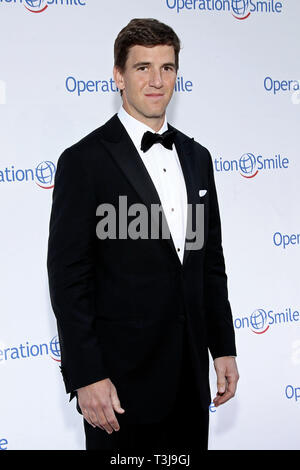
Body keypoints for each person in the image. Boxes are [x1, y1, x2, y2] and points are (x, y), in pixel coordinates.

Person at [47, 18, 239, 452]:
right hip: (118, 385)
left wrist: (222, 348)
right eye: (142, 67)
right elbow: (68, 278)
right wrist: (86, 375)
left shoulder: (198, 157)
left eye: (167, 68)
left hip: (189, 380)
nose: (157, 80)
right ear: (118, 75)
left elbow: (209, 264)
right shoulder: (84, 160)